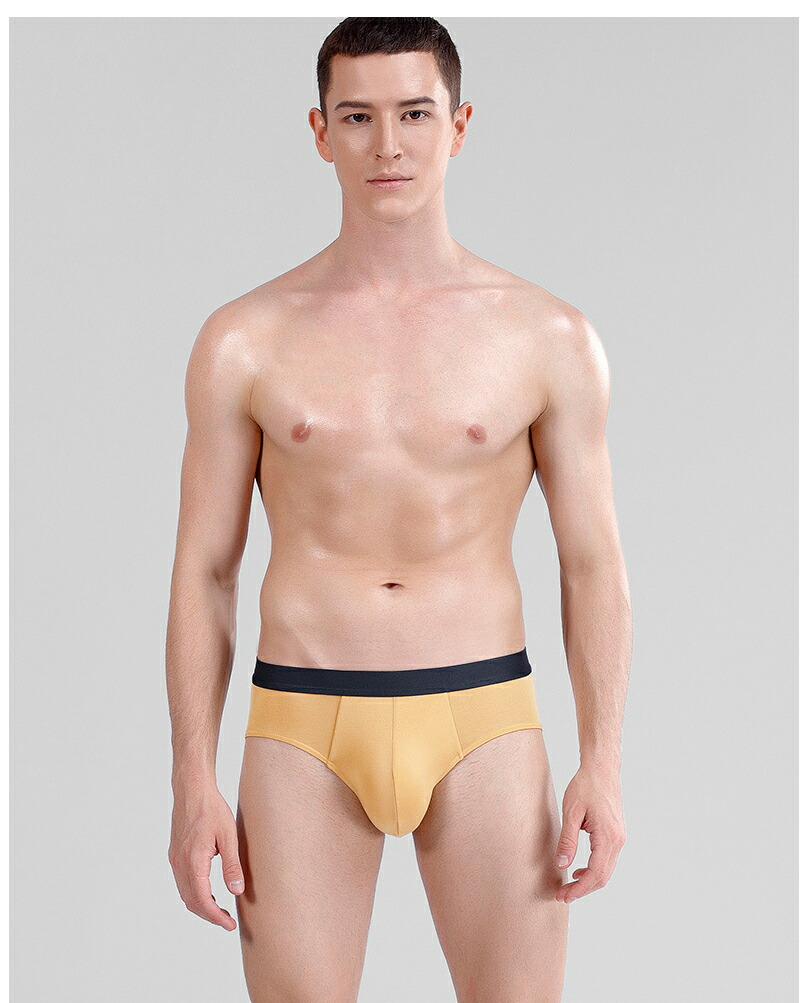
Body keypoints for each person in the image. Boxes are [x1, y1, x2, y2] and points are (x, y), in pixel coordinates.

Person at [166, 16, 631, 1003]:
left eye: (414, 114)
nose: (388, 145)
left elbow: (591, 561)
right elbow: (204, 571)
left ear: (459, 125)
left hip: (483, 713)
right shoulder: (244, 340)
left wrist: (602, 761)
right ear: (319, 131)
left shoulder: (546, 336)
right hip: (301, 721)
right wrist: (190, 778)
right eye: (358, 117)